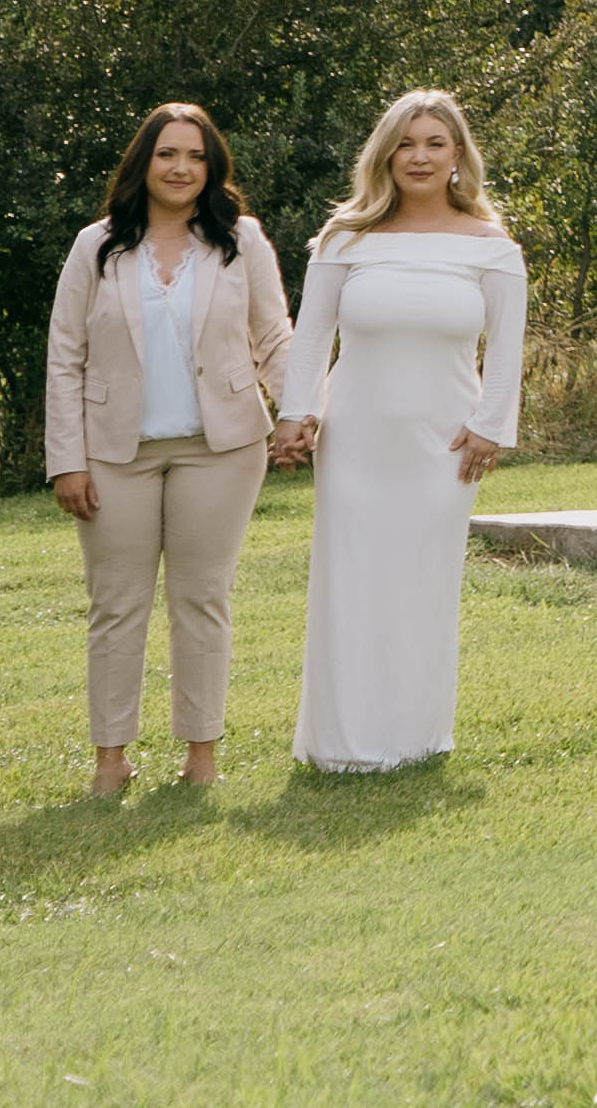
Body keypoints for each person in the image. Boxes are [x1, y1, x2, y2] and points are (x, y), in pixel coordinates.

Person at [43, 100, 303, 798]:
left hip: (220, 450)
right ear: (143, 163)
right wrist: (67, 459)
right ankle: (110, 759)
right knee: (116, 604)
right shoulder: (94, 245)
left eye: (195, 155)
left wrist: (300, 413)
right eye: (167, 154)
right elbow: (64, 357)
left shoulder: (240, 241)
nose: (181, 167)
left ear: (212, 166)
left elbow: (274, 336)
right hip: (112, 454)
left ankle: (202, 756)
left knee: (202, 599)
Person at [281, 86, 530, 773]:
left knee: (424, 583)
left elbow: (507, 349)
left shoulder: (493, 249)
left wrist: (491, 427)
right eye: (405, 143)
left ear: (458, 157)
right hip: (355, 436)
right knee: (350, 579)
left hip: (445, 445)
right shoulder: (345, 240)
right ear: (385, 156)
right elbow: (311, 341)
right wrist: (294, 416)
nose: (418, 156)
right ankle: (341, 744)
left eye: (434, 143)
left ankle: (416, 737)